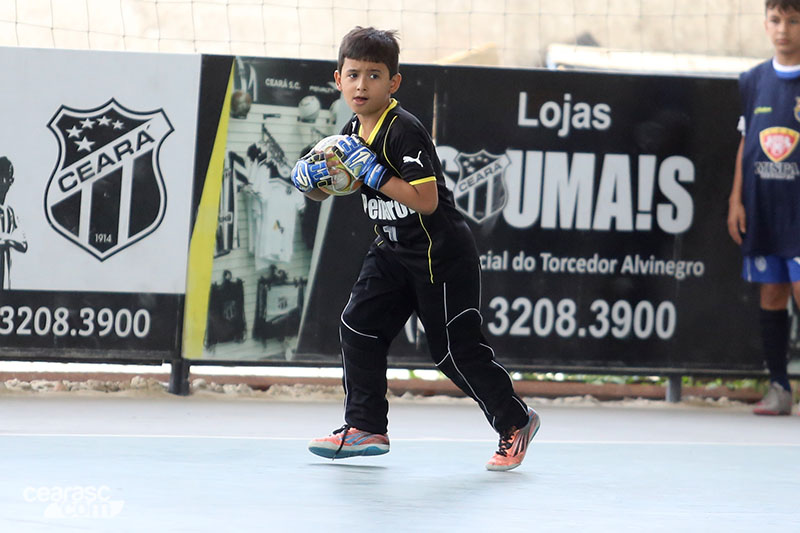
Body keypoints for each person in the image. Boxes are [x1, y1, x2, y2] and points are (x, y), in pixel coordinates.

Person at [290, 27, 540, 471]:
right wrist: (310, 185)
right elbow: (335, 188)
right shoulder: (350, 129)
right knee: (358, 325)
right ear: (338, 79)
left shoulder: (404, 130)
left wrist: (374, 172)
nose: (362, 85)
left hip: (438, 254)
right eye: (353, 75)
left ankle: (515, 421)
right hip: (391, 248)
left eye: (374, 75)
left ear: (394, 83)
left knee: (452, 352)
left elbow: (424, 200)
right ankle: (365, 426)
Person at [728, 0, 800, 416]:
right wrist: (737, 199)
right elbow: (746, 141)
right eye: (776, 19)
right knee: (771, 291)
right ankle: (778, 387)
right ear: (765, 23)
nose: (783, 29)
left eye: (793, 20)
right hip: (763, 205)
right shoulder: (753, 80)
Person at [0, 156, 27, 290]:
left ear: (11, 181)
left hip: (6, 284)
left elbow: (23, 244)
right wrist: (10, 239)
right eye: (0, 176)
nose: (3, 181)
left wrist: (6, 239)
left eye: (6, 177)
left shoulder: (11, 213)